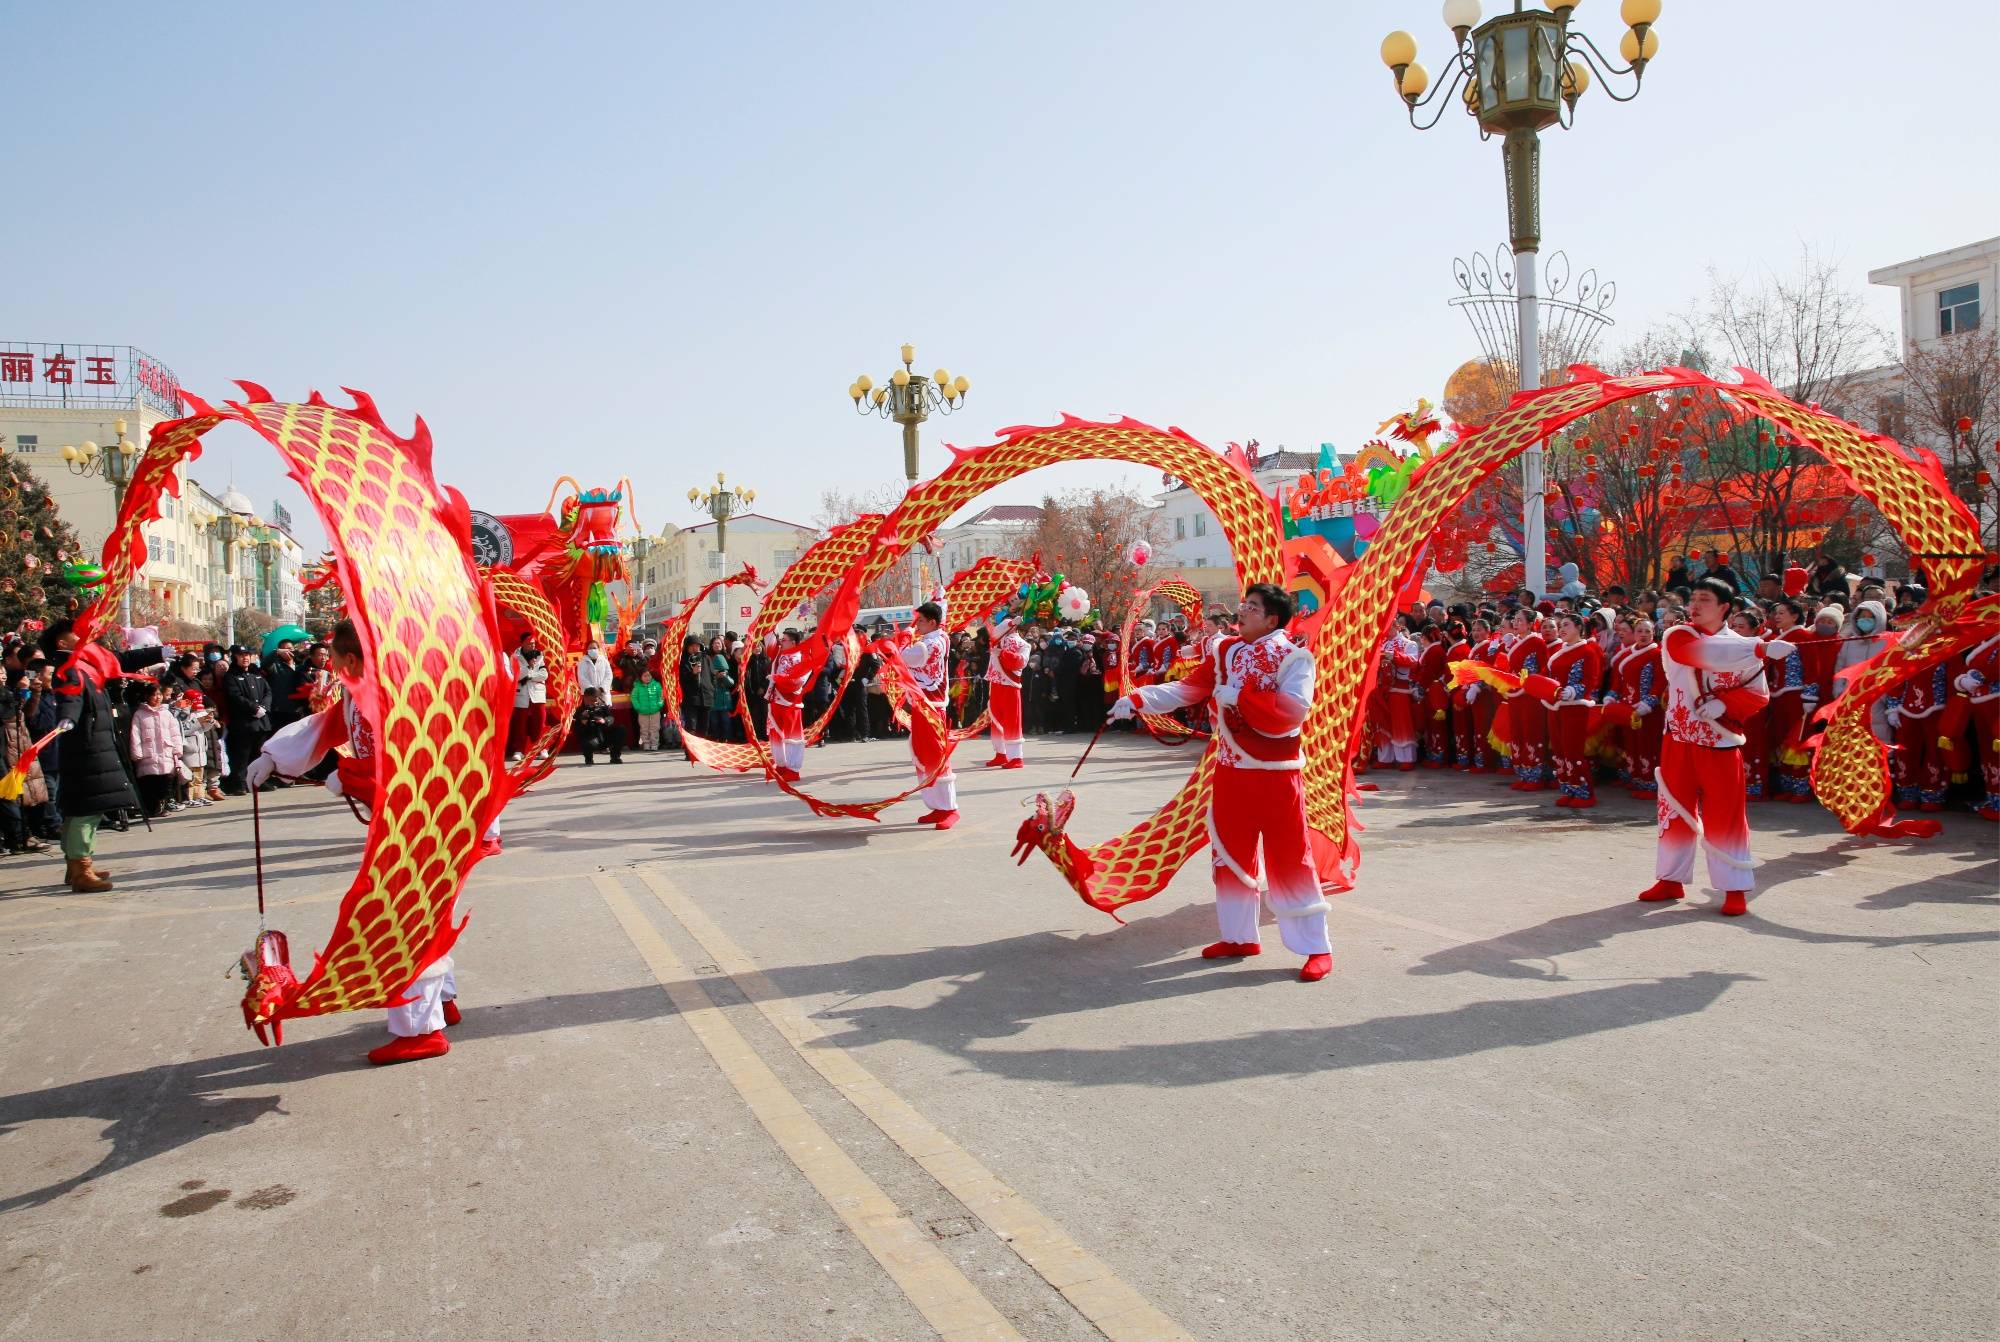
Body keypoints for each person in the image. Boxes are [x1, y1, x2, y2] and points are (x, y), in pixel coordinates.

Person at [246, 619, 472, 1064]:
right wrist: (274, 757)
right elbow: (328, 725)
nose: (327, 664)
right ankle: (441, 1002)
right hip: (395, 821)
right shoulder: (356, 689)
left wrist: (349, 776)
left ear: (351, 660)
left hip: (421, 820)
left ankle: (420, 1031)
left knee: (401, 918)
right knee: (425, 912)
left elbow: (415, 759)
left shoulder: (399, 691)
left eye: (333, 657)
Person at [1109, 583, 1332, 981]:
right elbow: (1188, 689)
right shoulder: (1225, 651)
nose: (1242, 611)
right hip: (1231, 773)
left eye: (1252, 607)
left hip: (1276, 775)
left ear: (1272, 619)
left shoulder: (1295, 658)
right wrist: (1139, 699)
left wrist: (1239, 698)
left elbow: (1291, 714)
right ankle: (1239, 935)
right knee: (1228, 854)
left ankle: (1315, 947)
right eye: (1243, 604)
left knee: (1291, 859)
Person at [1637, 576, 1787, 917]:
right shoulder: (1679, 635)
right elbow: (1705, 654)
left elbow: (1758, 695)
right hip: (1678, 739)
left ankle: (1734, 889)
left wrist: (1727, 704)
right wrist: (1761, 648)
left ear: (1724, 608)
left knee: (1727, 817)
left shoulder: (1743, 645)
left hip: (1719, 742)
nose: (1695, 605)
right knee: (1673, 811)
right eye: (1694, 599)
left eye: (1705, 600)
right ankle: (1670, 878)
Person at [41, 618, 164, 892]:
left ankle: (77, 865)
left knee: (81, 810)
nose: (82, 635)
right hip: (86, 748)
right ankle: (80, 869)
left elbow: (118, 660)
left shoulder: (84, 663)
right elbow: (70, 699)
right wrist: (67, 720)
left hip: (91, 746)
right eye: (75, 633)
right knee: (87, 811)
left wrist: (157, 652)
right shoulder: (70, 668)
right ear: (62, 643)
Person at [887, 601, 959, 828]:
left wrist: (905, 637)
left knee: (936, 756)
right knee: (925, 755)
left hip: (931, 707)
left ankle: (949, 808)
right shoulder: (940, 637)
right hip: (923, 705)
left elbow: (903, 657)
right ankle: (938, 806)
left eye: (920, 621)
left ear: (932, 622)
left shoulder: (929, 645)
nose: (917, 624)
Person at [1544, 613, 1604, 807]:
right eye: (1560, 625)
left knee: (1573, 750)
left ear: (1579, 627)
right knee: (1559, 749)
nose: (1561, 629)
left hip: (1575, 707)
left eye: (1566, 625)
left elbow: (1591, 679)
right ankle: (1568, 788)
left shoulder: (1587, 651)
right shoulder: (1558, 651)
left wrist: (1572, 691)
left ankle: (1584, 792)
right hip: (1555, 706)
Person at [1604, 615, 1663, 798]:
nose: (1643, 635)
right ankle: (1636, 778)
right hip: (1628, 708)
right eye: (1640, 631)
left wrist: (1648, 702)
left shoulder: (1657, 654)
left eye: (1648, 631)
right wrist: (1611, 697)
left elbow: (1661, 682)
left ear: (1654, 634)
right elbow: (1618, 681)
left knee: (1648, 745)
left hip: (1648, 710)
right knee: (1632, 744)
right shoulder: (1627, 654)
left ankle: (1650, 783)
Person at [0, 666, 50, 855]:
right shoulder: (7, 694)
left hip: (19, 745)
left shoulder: (7, 692)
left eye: (3, 671)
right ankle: (18, 838)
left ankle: (22, 836)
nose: (2, 675)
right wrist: (20, 693)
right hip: (8, 748)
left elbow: (26, 713)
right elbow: (7, 713)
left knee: (21, 794)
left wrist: (33, 691)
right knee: (9, 796)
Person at [1502, 606, 1551, 790]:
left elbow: (1542, 669)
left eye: (1520, 620)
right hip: (1515, 693)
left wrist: (1526, 684)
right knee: (1518, 732)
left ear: (1531, 624)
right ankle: (1524, 773)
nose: (1515, 623)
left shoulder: (1537, 643)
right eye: (1514, 620)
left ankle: (1536, 775)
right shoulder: (1515, 643)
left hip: (1530, 694)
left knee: (1532, 732)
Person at [1956, 631, 2000, 821]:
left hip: (1997, 703)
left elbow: (1991, 668)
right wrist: (1963, 680)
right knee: (1987, 755)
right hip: (1979, 703)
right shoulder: (1980, 638)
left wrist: (1976, 674)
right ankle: (1994, 799)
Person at [220, 644, 273, 795]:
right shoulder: (231, 676)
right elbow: (235, 696)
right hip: (243, 722)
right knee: (241, 756)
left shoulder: (256, 674)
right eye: (241, 655)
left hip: (261, 721)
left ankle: (260, 781)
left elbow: (267, 692)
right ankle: (239, 784)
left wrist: (264, 707)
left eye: (247, 654)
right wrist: (253, 708)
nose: (245, 657)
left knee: (260, 753)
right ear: (234, 657)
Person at [127, 680, 185, 818]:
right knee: (149, 783)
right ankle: (152, 808)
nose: (157, 697)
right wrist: (136, 752)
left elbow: (175, 733)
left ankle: (162, 805)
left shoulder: (167, 713)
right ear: (147, 696)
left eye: (159, 694)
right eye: (154, 695)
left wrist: (177, 749)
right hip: (148, 754)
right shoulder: (139, 714)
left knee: (165, 782)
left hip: (165, 752)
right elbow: (135, 734)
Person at [983, 611, 1030, 769]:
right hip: (996, 684)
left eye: (1009, 624)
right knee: (996, 719)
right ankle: (1000, 753)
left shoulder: (1024, 644)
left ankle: (1016, 757)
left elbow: (1019, 663)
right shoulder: (997, 639)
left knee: (1012, 720)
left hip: (1010, 686)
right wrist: (1009, 622)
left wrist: (1003, 653)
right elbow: (995, 630)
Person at [507, 639, 549, 764]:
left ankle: (542, 748)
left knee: (540, 721)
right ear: (523, 644)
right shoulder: (515, 656)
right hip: (521, 693)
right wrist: (528, 667)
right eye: (530, 644)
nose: (532, 646)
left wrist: (529, 676)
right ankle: (519, 750)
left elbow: (544, 674)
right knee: (520, 723)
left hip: (537, 693)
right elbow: (516, 675)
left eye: (534, 644)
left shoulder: (539, 655)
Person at [574, 686, 622, 765]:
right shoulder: (580, 710)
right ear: (585, 698)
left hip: (604, 734)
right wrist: (583, 722)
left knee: (620, 730)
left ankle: (615, 757)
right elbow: (578, 730)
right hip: (591, 737)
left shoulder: (602, 707)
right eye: (591, 700)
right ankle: (588, 758)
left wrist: (605, 721)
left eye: (596, 699)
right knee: (586, 741)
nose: (594, 702)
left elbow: (611, 718)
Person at [706, 634, 737, 742]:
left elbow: (732, 680)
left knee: (726, 720)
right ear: (711, 645)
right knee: (714, 721)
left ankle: (726, 739)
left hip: (725, 695)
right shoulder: (707, 657)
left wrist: (725, 677)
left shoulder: (728, 658)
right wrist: (714, 676)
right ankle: (715, 738)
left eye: (719, 643)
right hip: (712, 693)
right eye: (714, 643)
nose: (716, 645)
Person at [677, 636, 707, 740]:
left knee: (703, 728)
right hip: (690, 698)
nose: (695, 648)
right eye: (693, 646)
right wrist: (692, 673)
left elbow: (711, 676)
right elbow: (681, 678)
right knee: (691, 726)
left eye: (697, 645)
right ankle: (689, 752)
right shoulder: (682, 660)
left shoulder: (705, 658)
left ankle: (702, 753)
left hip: (705, 697)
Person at [630, 665, 664, 751]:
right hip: (642, 711)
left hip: (655, 710)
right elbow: (634, 698)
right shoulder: (637, 687)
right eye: (645, 676)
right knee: (644, 728)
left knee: (655, 727)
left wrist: (659, 705)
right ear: (640, 677)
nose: (647, 678)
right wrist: (638, 707)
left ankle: (654, 743)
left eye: (649, 675)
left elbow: (661, 696)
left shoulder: (656, 685)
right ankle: (646, 743)